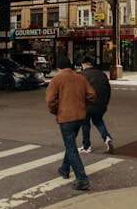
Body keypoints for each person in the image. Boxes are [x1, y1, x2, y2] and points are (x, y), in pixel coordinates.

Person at [46, 55, 96, 191]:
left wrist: (56, 110)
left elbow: (50, 101)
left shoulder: (56, 80)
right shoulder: (80, 78)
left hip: (66, 118)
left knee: (71, 148)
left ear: (58, 68)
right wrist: (82, 105)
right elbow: (92, 95)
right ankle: (64, 169)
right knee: (71, 144)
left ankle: (82, 179)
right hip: (80, 116)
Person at [78, 57, 114, 154]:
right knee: (98, 121)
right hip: (101, 105)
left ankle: (86, 146)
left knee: (85, 123)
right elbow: (108, 90)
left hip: (88, 105)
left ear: (84, 64)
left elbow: (79, 92)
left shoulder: (82, 75)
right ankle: (106, 137)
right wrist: (105, 103)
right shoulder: (102, 74)